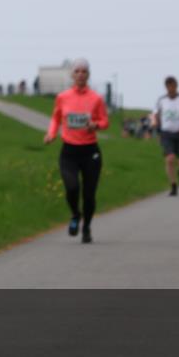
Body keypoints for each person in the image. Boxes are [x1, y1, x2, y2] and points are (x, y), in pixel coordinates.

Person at [43, 59, 108, 244]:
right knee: (72, 188)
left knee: (89, 194)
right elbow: (55, 118)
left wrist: (95, 125)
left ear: (88, 75)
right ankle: (75, 215)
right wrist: (51, 133)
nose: (80, 74)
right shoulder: (63, 97)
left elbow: (105, 122)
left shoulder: (96, 98)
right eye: (77, 71)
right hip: (69, 152)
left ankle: (86, 227)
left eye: (84, 71)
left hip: (90, 152)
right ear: (72, 75)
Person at [151, 76, 179, 196]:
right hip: (167, 133)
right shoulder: (161, 100)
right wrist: (154, 121)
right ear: (166, 87)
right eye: (168, 86)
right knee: (170, 159)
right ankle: (173, 185)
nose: (171, 89)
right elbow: (154, 113)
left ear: (176, 86)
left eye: (173, 86)